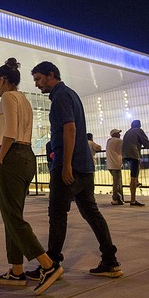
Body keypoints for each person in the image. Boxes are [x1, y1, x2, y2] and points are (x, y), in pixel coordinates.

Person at [31, 60, 122, 280]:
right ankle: (110, 260)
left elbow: (70, 129)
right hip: (85, 166)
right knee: (91, 212)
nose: (36, 84)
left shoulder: (61, 96)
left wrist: (66, 164)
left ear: (51, 75)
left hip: (69, 165)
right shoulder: (71, 94)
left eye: (38, 79)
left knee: (58, 213)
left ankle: (51, 263)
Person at [0, 58, 63, 295]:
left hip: (11, 157)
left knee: (12, 217)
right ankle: (16, 269)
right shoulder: (24, 99)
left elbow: (9, 131)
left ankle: (47, 265)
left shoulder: (7, 97)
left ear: (3, 80)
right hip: (26, 156)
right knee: (13, 216)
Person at [121, 119, 149, 206]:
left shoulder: (128, 132)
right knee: (133, 177)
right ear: (139, 125)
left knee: (134, 174)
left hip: (125, 155)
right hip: (133, 154)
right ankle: (133, 200)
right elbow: (147, 143)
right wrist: (147, 145)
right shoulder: (139, 131)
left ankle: (137, 181)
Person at [106, 129, 124, 205]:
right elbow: (125, 147)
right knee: (116, 183)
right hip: (116, 165)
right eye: (118, 133)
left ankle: (119, 198)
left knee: (117, 182)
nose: (119, 135)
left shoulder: (109, 141)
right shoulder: (118, 141)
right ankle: (115, 198)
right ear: (114, 134)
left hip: (110, 165)